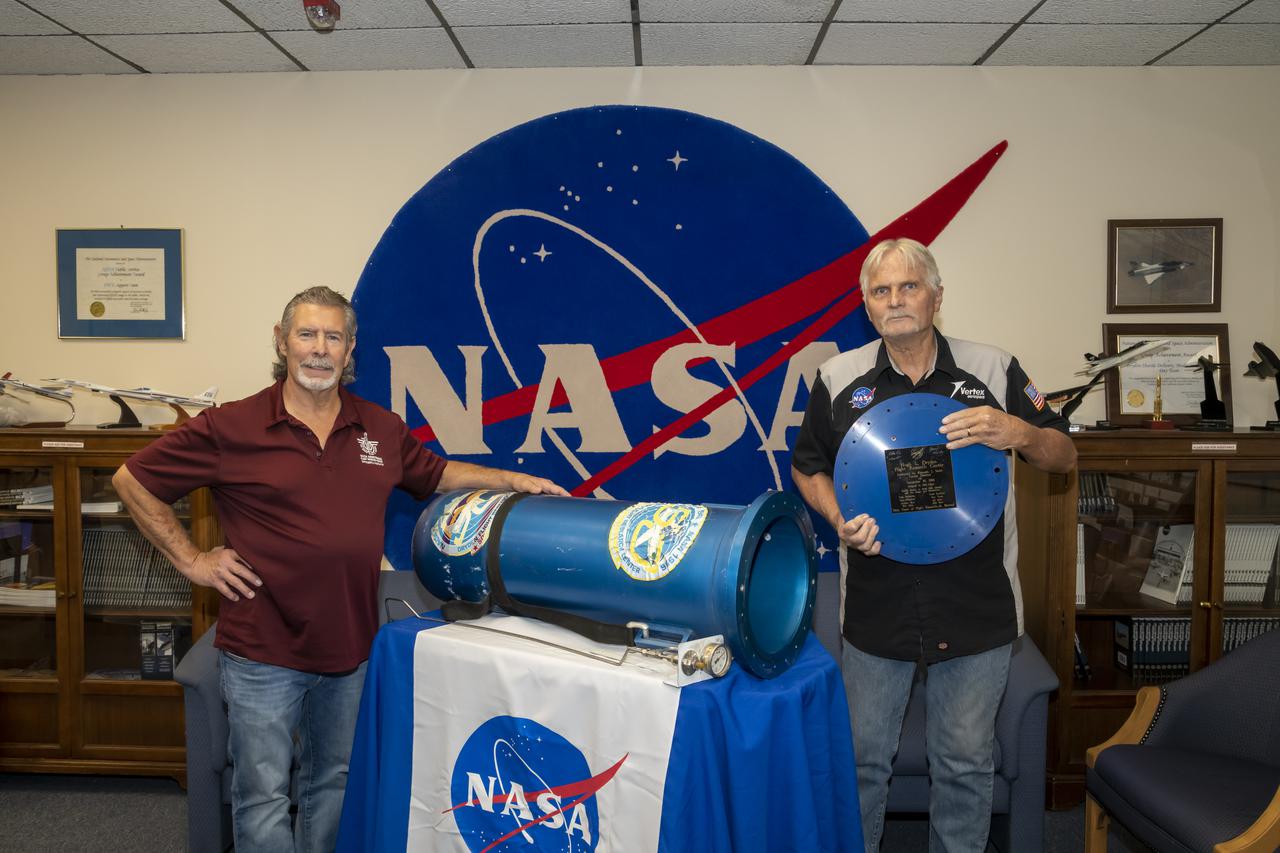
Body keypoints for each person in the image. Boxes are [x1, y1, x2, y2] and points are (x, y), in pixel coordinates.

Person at [113, 286, 566, 853]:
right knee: (262, 797)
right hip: (260, 652)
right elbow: (132, 480)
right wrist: (193, 560)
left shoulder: (379, 426)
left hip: (350, 650)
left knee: (333, 784)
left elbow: (439, 473)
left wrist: (513, 481)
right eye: (307, 334)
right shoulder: (232, 426)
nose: (319, 350)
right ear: (282, 343)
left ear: (351, 350)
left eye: (334, 337)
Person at [790, 239, 1075, 853]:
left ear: (937, 296)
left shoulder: (996, 369)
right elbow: (808, 467)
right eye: (881, 291)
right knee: (863, 763)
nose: (896, 301)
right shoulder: (838, 377)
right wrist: (839, 516)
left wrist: (1018, 430)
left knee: (966, 767)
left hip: (977, 607)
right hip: (874, 606)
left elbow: (1064, 454)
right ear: (867, 307)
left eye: (909, 286)